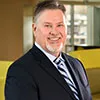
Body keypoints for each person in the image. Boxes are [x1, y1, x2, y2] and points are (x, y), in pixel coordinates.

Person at [5, 0, 92, 100]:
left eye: (59, 25)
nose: (54, 32)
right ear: (35, 29)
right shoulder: (20, 71)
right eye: (47, 26)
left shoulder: (77, 65)